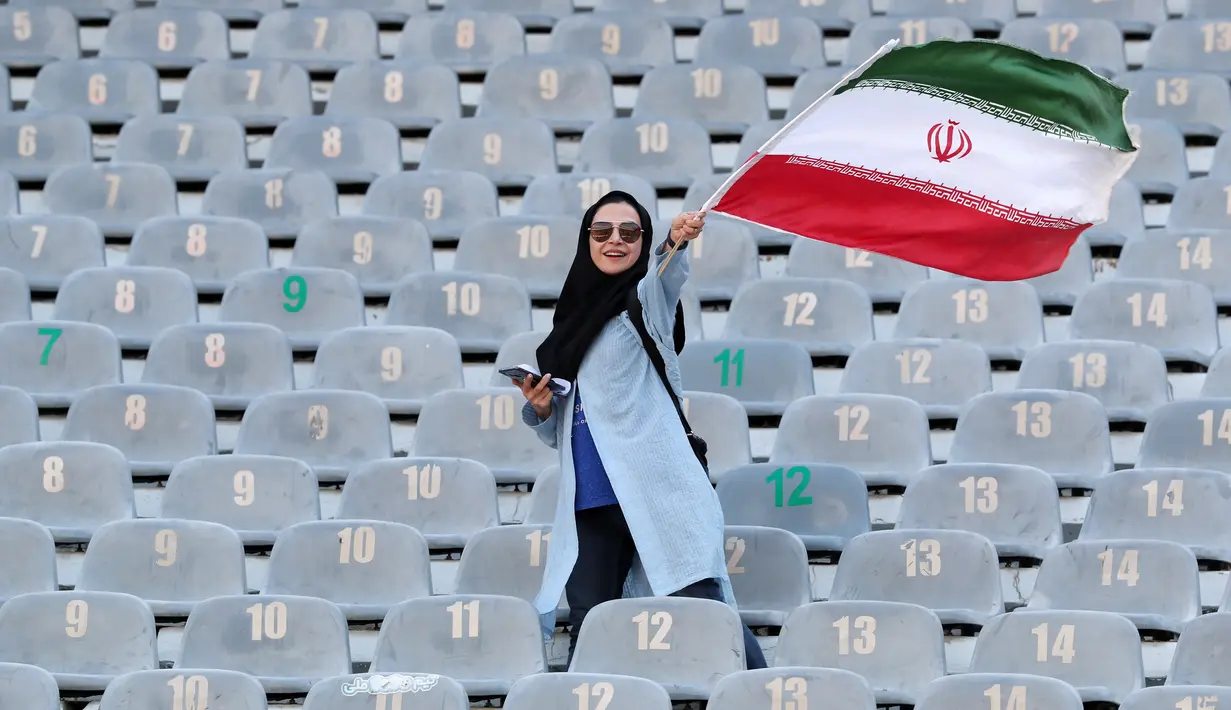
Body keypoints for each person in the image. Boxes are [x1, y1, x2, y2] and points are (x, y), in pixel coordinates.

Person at [513, 190, 768, 670]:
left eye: (630, 232)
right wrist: (543, 410)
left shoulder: (641, 306)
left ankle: (762, 693)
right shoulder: (568, 328)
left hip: (659, 490)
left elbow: (664, 281)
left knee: (704, 605)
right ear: (586, 239)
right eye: (602, 231)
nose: (615, 240)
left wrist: (673, 244)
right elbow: (564, 433)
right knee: (590, 625)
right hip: (591, 501)